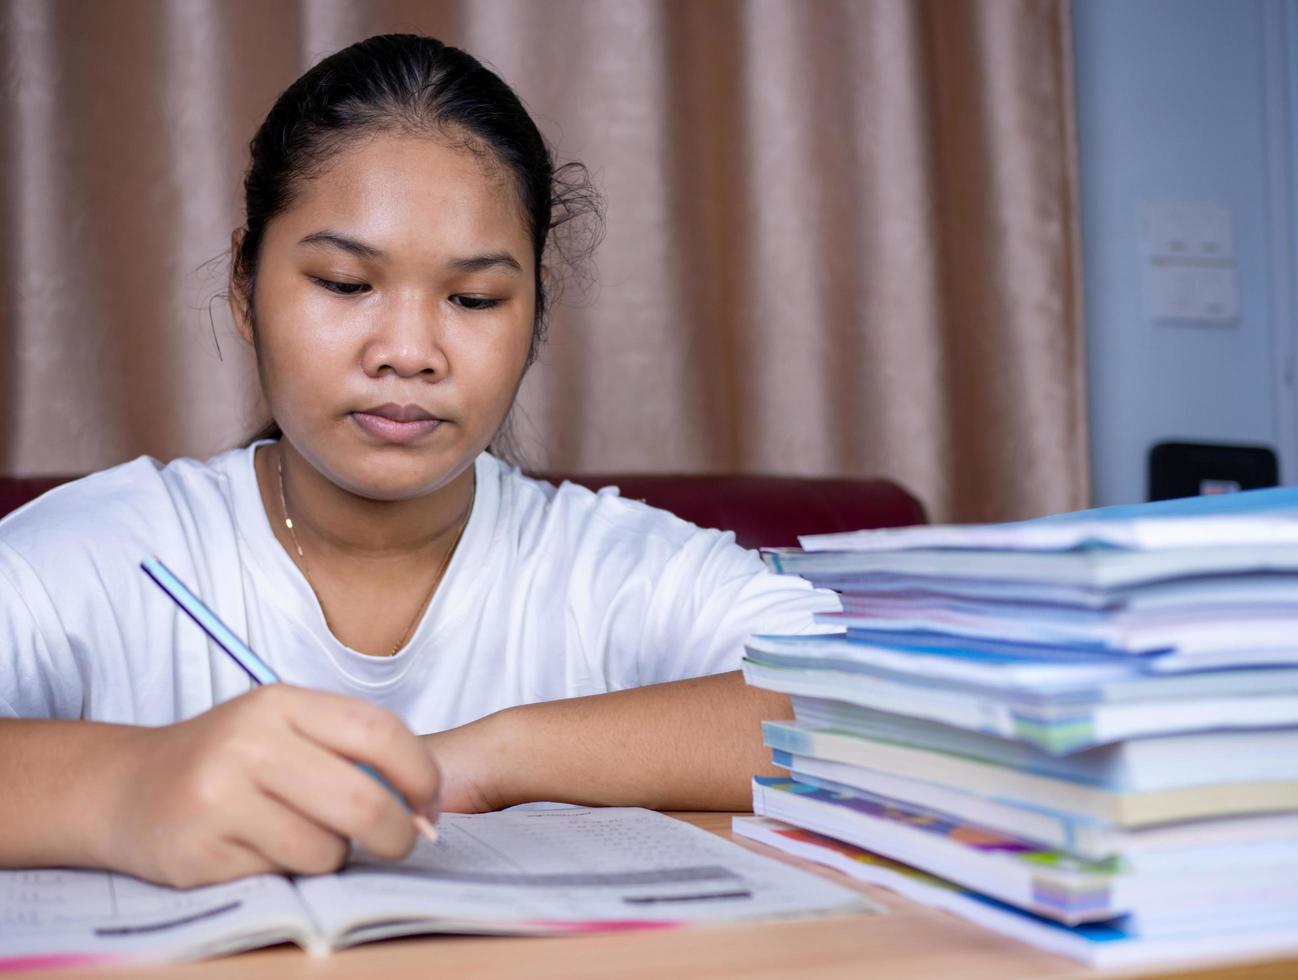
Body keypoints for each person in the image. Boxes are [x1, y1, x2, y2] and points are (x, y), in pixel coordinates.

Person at [0, 34, 836, 888]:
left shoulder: (610, 569)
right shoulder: (101, 555)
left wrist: (490, 756)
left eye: (472, 299)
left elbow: (872, 718)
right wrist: (127, 786)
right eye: (344, 283)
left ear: (535, 316)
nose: (408, 352)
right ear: (246, 290)